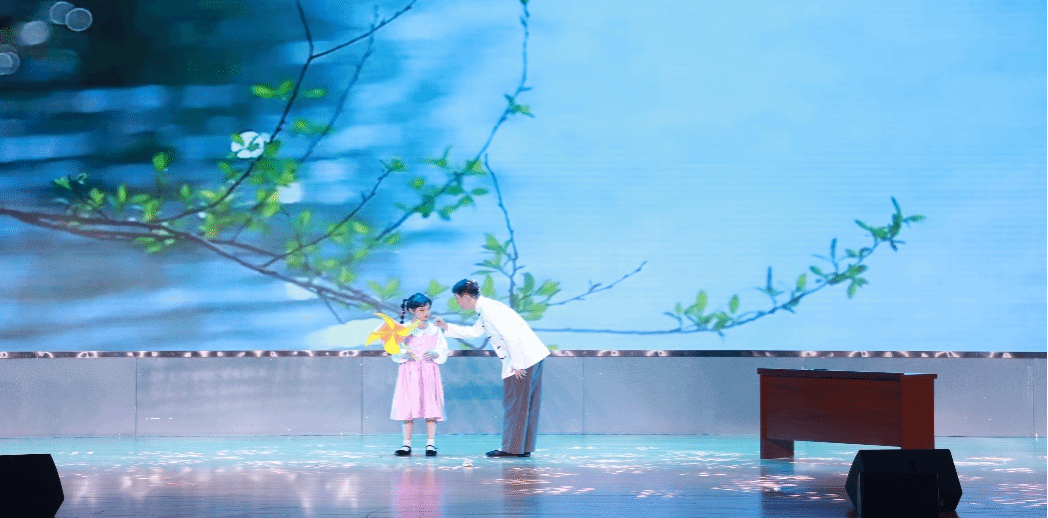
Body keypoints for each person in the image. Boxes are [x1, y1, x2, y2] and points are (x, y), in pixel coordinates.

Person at [434, 279, 550, 458]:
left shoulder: (489, 310)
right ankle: (522, 447)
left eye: (457, 298)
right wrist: (446, 327)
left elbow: (510, 335)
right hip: (531, 355)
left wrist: (518, 364)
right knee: (525, 405)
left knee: (516, 404)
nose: (457, 302)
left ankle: (512, 448)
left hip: (523, 359)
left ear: (466, 297)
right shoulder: (487, 308)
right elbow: (474, 332)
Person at [390, 293, 449, 457]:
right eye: (422, 310)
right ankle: (406, 444)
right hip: (410, 372)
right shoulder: (404, 329)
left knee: (430, 406)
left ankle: (431, 444)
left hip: (429, 371)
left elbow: (443, 349)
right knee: (409, 407)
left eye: (428, 309)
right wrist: (404, 354)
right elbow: (394, 349)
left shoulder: (435, 329)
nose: (426, 313)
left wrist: (436, 354)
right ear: (411, 310)